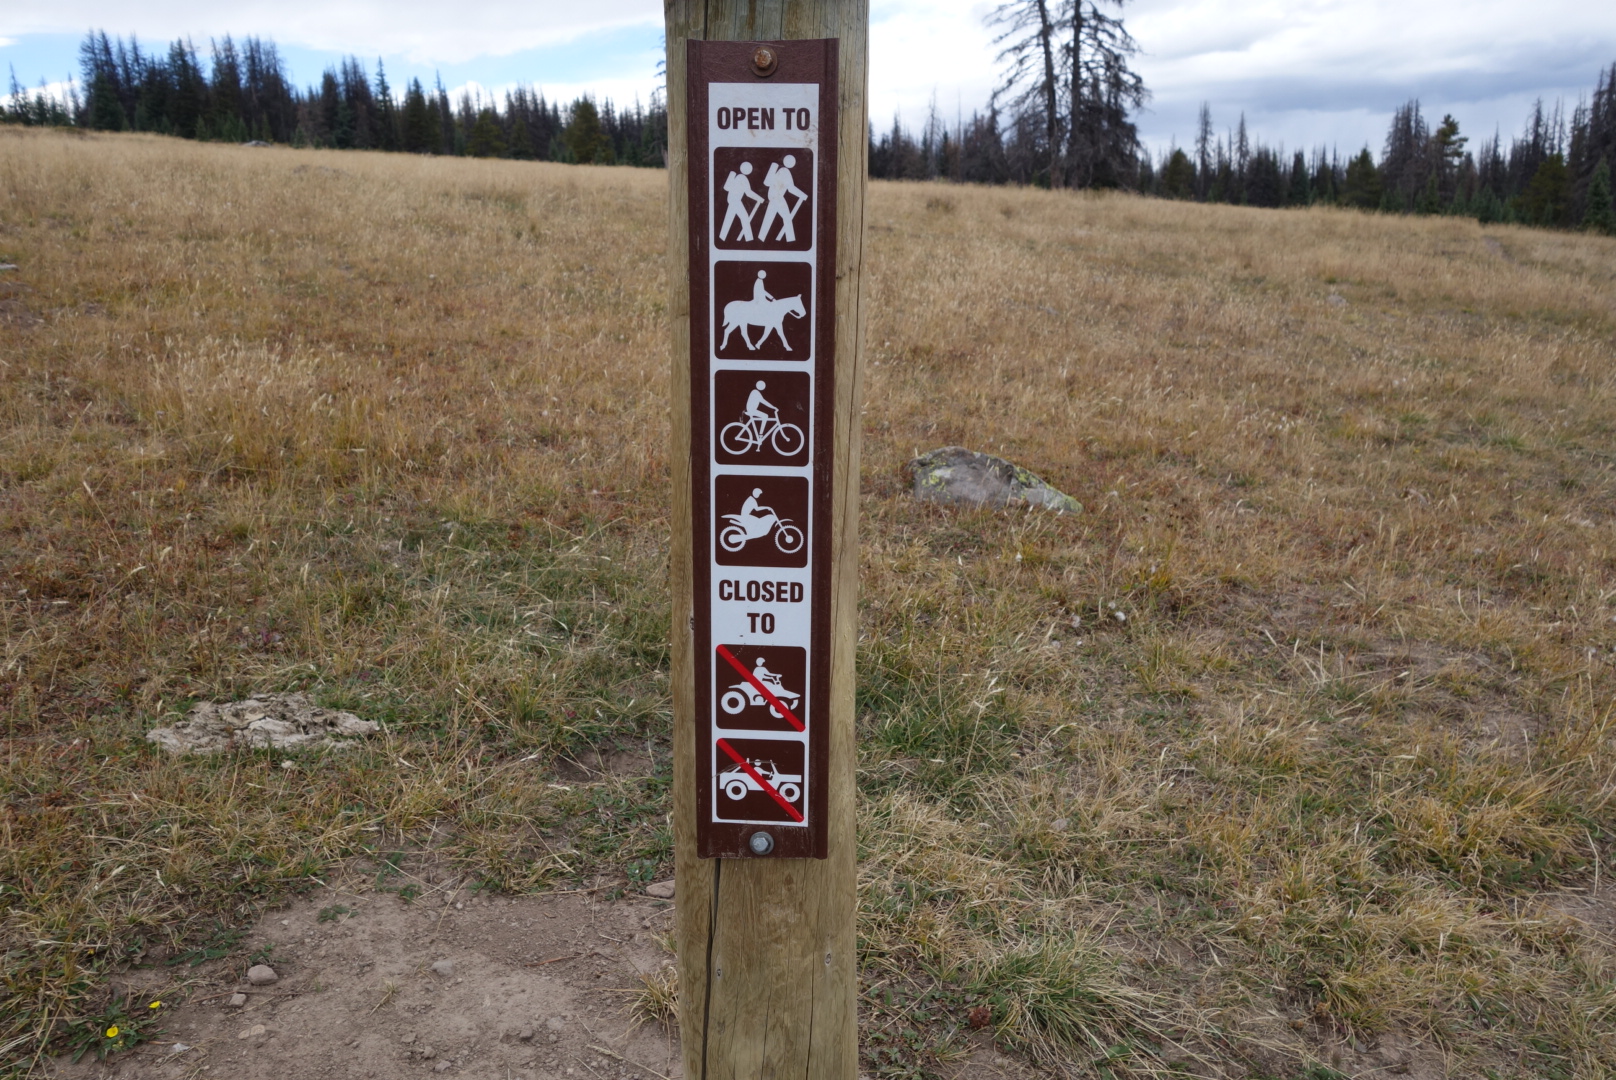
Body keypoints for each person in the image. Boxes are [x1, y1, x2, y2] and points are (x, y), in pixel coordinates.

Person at [759, 155, 808, 243]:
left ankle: (761, 238)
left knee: (769, 218)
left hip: (773, 197)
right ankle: (790, 240)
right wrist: (803, 195)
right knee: (787, 218)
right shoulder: (786, 172)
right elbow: (791, 188)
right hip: (778, 198)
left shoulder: (779, 171)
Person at [719, 161, 763, 242]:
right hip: (736, 201)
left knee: (729, 219)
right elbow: (748, 193)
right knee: (744, 218)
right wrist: (759, 198)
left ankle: (722, 237)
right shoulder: (743, 178)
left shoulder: (738, 177)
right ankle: (749, 239)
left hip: (732, 200)